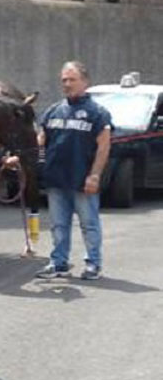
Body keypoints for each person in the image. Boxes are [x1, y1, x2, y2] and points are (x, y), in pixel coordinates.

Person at [35, 60, 112, 280]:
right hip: (56, 180)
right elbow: (40, 142)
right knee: (58, 225)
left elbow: (104, 147)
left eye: (72, 79)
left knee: (89, 224)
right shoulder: (53, 111)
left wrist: (95, 175)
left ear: (85, 82)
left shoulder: (98, 113)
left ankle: (93, 264)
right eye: (64, 80)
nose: (67, 84)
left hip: (82, 180)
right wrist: (17, 158)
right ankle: (59, 263)